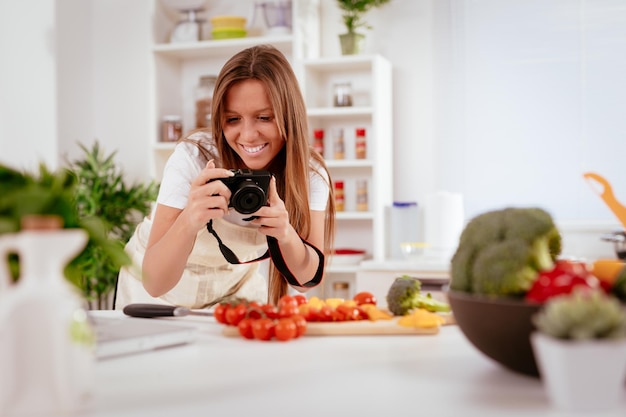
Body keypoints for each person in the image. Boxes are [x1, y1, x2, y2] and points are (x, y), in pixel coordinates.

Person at [115, 45, 335, 309]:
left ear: (290, 115)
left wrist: (287, 235)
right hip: (155, 293)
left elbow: (305, 281)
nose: (248, 135)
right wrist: (190, 219)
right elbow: (155, 284)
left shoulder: (308, 173)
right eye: (232, 119)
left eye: (264, 117)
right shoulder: (194, 157)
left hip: (233, 288)